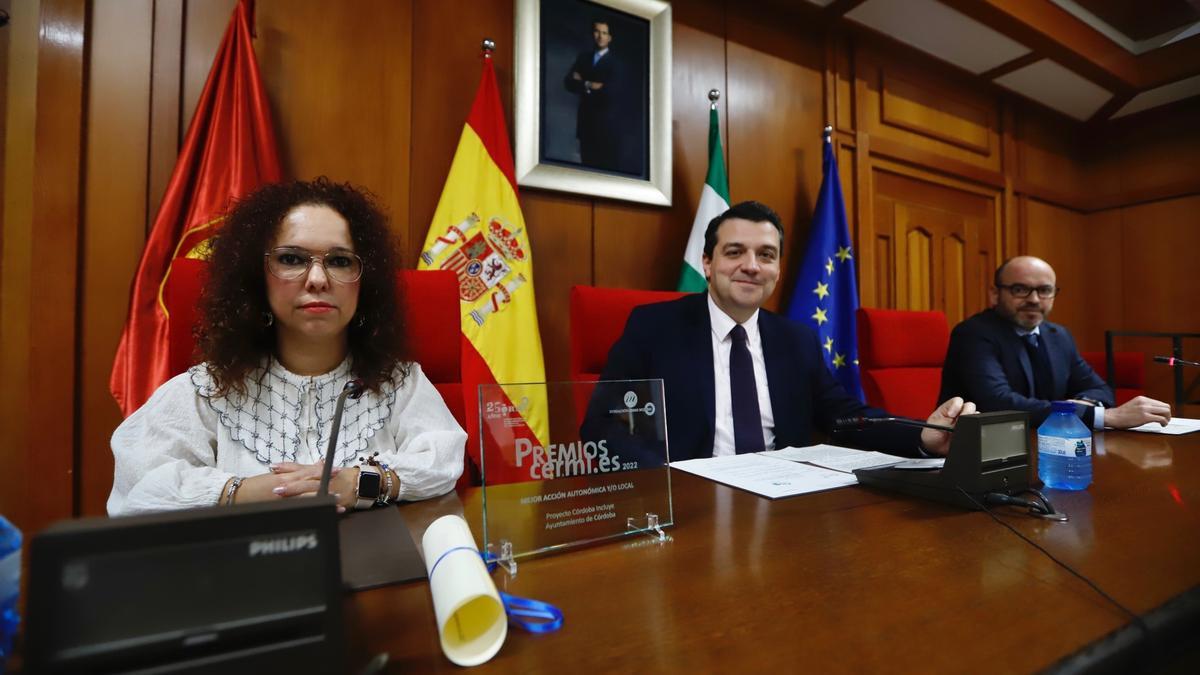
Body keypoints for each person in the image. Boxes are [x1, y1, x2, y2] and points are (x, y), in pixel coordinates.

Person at [108, 178, 467, 516]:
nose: (317, 279)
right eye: (292, 259)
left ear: (365, 282)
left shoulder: (399, 383)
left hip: (379, 576)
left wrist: (361, 483)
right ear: (256, 276)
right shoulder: (208, 388)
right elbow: (136, 489)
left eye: (339, 261)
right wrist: (242, 492)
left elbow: (444, 460)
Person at [596, 201, 975, 462]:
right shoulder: (653, 327)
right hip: (690, 505)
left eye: (766, 254)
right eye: (734, 252)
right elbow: (605, 427)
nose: (751, 266)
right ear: (707, 264)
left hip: (784, 506)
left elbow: (843, 417)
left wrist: (923, 435)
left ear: (777, 268)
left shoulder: (796, 339)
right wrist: (669, 485)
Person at [940, 255, 1171, 430]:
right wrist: (1100, 416)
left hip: (1049, 440)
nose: (1033, 299)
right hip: (983, 447)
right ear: (995, 294)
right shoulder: (972, 334)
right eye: (1020, 289)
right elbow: (997, 403)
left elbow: (1100, 389)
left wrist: (1080, 404)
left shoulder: (1058, 335)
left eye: (1044, 290)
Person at [564, 20, 621, 171]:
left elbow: (610, 91)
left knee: (603, 171)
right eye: (597, 32)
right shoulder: (583, 58)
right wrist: (590, 85)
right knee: (586, 168)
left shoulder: (615, 63)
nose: (600, 36)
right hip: (585, 123)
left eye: (604, 33)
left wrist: (582, 82)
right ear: (592, 34)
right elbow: (569, 82)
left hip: (605, 126)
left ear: (610, 37)